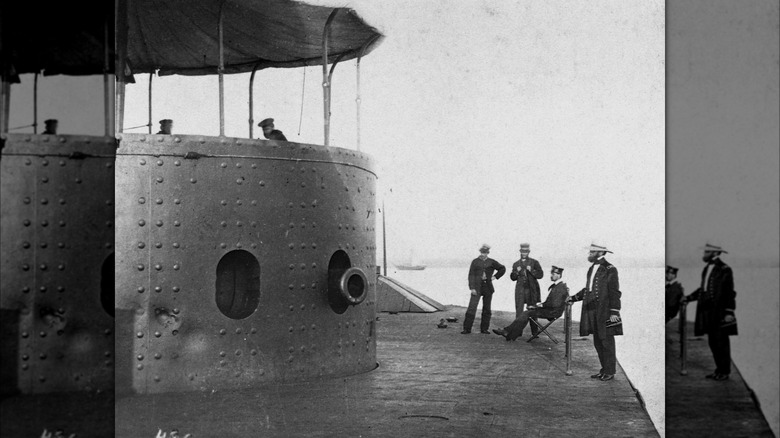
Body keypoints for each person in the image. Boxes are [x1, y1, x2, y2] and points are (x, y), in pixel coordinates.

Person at [568, 243, 622, 381]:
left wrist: (614, 312)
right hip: (592, 311)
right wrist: (573, 298)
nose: (589, 255)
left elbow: (614, 292)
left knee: (606, 341)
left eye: (591, 252)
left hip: (605, 311)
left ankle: (610, 371)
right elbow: (588, 290)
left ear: (599, 253)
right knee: (598, 341)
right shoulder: (592, 268)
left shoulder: (610, 269)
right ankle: (604, 369)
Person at [683, 243, 737, 381]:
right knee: (713, 342)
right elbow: (703, 290)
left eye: (706, 252)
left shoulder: (725, 269)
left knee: (721, 343)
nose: (703, 255)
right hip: (708, 313)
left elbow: (729, 293)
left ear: (714, 253)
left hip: (720, 313)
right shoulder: (707, 268)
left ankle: (724, 372)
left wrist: (729, 312)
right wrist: (689, 298)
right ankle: (719, 370)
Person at [493, 265, 569, 341]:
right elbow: (552, 303)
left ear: (559, 275)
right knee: (528, 312)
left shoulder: (560, 287)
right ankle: (510, 334)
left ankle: (508, 332)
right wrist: (537, 306)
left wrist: (539, 306)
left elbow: (555, 304)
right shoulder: (559, 286)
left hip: (553, 312)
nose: (551, 276)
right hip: (551, 310)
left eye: (553, 274)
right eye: (551, 274)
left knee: (527, 313)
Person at [462, 244, 506, 334]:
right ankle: (467, 329)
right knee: (472, 308)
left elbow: (502, 268)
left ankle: (484, 329)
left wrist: (495, 277)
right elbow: (471, 275)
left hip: (488, 288)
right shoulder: (475, 261)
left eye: (485, 253)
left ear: (488, 253)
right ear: (480, 252)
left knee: (487, 309)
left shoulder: (492, 262)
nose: (483, 254)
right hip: (477, 288)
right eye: (482, 252)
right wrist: (472, 288)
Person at [509, 243, 544, 335]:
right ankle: (517, 332)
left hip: (531, 290)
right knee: (519, 310)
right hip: (520, 290)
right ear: (520, 252)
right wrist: (516, 272)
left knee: (532, 310)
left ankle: (534, 332)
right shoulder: (516, 264)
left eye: (526, 251)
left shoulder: (534, 262)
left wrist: (532, 271)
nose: (524, 253)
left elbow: (541, 275)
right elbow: (512, 278)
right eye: (523, 251)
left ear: (528, 252)